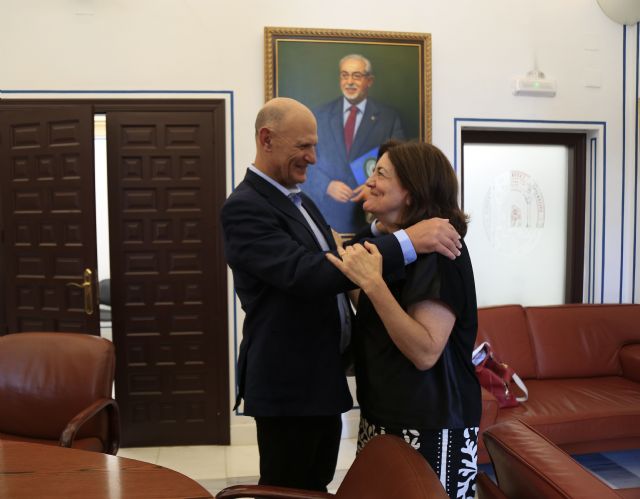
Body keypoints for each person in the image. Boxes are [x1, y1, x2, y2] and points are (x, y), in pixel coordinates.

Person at [220, 98, 463, 492]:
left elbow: (340, 263)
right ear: (267, 139)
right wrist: (405, 239)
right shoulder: (245, 208)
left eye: (315, 146)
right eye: (303, 146)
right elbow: (306, 273)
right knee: (291, 489)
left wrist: (384, 237)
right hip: (290, 387)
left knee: (314, 485)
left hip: (321, 384)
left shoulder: (301, 201)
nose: (314, 158)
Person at [327, 140, 481, 499]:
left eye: (381, 174)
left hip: (430, 422)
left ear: (411, 192)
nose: (369, 182)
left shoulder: (441, 252)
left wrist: (372, 284)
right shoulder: (379, 240)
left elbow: (426, 350)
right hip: (381, 411)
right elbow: (372, 305)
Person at [304, 54, 405, 234]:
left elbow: (401, 165)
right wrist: (326, 185)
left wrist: (374, 184)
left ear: (369, 80)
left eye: (356, 76)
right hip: (325, 220)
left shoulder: (389, 118)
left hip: (372, 220)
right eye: (345, 75)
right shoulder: (318, 115)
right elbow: (304, 161)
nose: (349, 81)